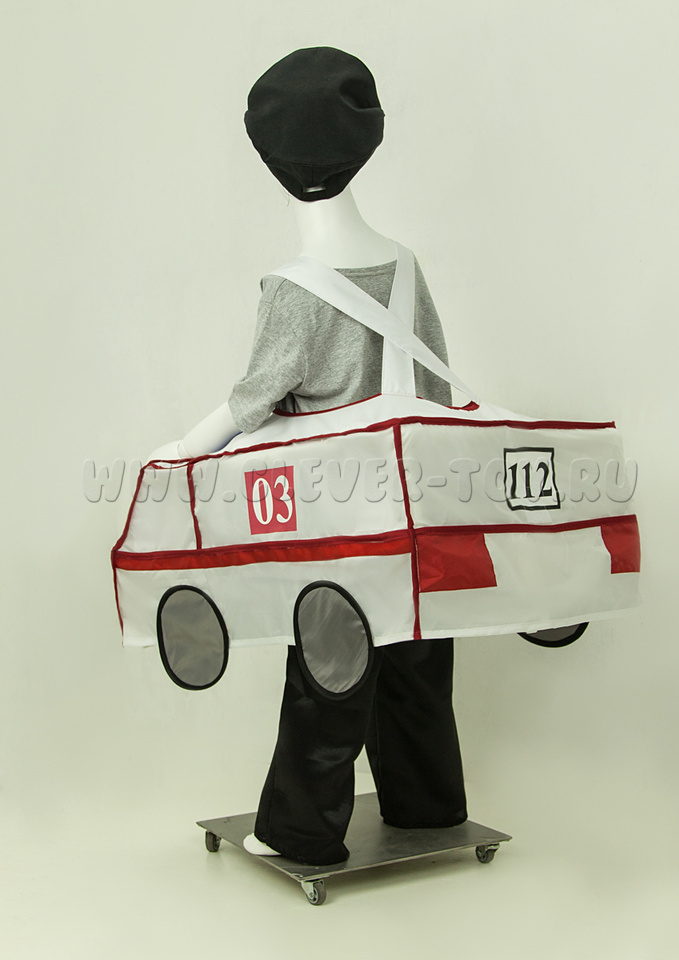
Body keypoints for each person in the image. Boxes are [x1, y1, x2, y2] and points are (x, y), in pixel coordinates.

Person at [153, 47, 468, 865]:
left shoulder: (295, 287)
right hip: (417, 514)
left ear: (272, 157)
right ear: (366, 142)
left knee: (330, 673)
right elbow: (435, 384)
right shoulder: (406, 266)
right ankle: (430, 807)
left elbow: (254, 398)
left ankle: (298, 832)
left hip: (339, 525)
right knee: (418, 663)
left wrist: (181, 451)